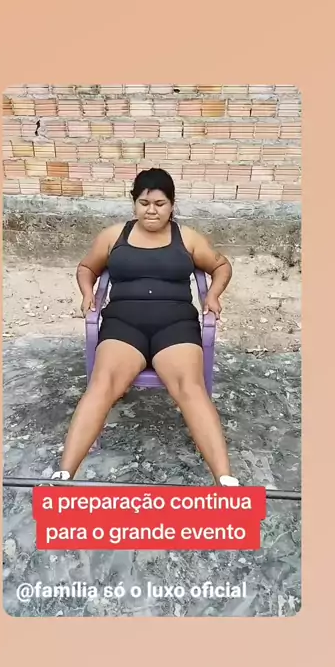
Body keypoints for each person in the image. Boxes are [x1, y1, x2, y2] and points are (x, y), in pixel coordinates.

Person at [52, 168, 239, 486]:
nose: (151, 210)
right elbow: (87, 267)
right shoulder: (114, 236)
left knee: (190, 388)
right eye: (144, 203)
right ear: (134, 204)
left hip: (175, 326)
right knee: (103, 384)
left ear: (172, 205)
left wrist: (213, 295)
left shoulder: (187, 238)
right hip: (124, 325)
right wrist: (87, 294)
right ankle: (64, 476)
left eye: (160, 204)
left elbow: (221, 265)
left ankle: (225, 482)